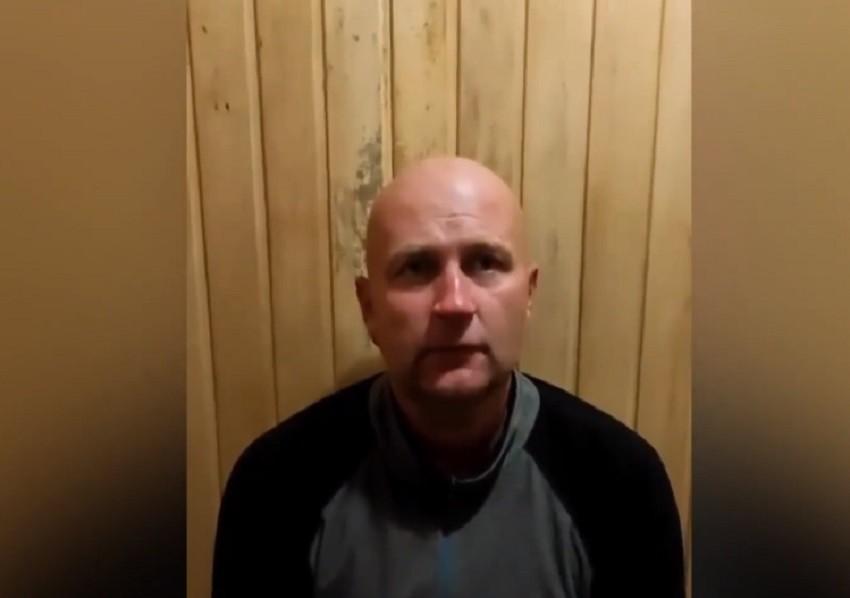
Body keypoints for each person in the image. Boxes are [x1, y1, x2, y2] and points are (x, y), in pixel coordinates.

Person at [211, 156, 685, 597]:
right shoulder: (275, 487)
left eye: (485, 263)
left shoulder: (620, 485)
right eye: (417, 268)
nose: (455, 303)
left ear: (529, 294)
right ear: (369, 308)